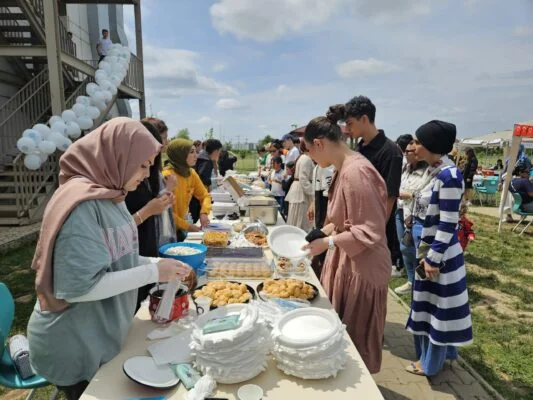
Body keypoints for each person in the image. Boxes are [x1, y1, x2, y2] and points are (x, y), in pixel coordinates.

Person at [27, 118, 195, 400]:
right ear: (117, 155)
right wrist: (153, 273)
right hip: (75, 343)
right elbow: (80, 287)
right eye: (142, 165)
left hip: (100, 333)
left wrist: (158, 265)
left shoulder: (112, 195)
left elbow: (119, 258)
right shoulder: (81, 205)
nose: (146, 174)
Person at [302, 115, 390, 373]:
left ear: (319, 144)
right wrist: (321, 233)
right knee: (340, 332)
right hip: (347, 261)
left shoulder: (357, 172)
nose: (310, 157)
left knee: (356, 338)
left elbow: (369, 231)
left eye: (309, 150)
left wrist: (328, 242)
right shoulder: (343, 168)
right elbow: (342, 219)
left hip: (363, 268)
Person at [405, 120, 472, 377]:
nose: (413, 146)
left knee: (437, 310)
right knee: (432, 307)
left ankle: (429, 364)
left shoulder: (448, 176)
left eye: (418, 142)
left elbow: (448, 222)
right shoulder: (436, 171)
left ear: (431, 145)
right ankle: (438, 357)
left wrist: (432, 258)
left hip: (439, 254)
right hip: (433, 250)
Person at [328, 96, 403, 278]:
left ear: (364, 119)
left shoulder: (390, 151)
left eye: (350, 123)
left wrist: (373, 233)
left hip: (372, 231)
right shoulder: (359, 148)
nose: (348, 129)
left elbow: (389, 198)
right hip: (353, 227)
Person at [125, 120, 177, 311]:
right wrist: (148, 210)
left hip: (146, 248)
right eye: (163, 138)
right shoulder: (110, 190)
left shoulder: (149, 174)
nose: (146, 174)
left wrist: (163, 199)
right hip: (135, 251)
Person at [394, 140, 428, 295]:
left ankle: (421, 283)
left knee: (417, 250)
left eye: (409, 151)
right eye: (405, 151)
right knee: (405, 248)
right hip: (401, 211)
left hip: (415, 215)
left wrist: (408, 194)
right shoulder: (405, 169)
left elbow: (422, 194)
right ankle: (411, 280)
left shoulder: (426, 172)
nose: (405, 154)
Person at [163, 139, 211, 240]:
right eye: (191, 152)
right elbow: (165, 212)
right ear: (180, 155)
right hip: (166, 231)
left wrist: (204, 212)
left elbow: (205, 195)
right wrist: (188, 226)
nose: (196, 156)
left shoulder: (191, 173)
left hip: (181, 227)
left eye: (196, 152)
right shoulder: (167, 176)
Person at [307, 164, 334, 277]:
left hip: (327, 217)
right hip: (319, 211)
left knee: (327, 251)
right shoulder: (318, 166)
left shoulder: (330, 167)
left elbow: (330, 198)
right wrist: (313, 203)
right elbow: (317, 191)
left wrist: (326, 225)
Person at [190, 139, 222, 222]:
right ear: (215, 151)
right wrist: (209, 189)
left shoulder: (201, 157)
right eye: (219, 151)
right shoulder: (206, 161)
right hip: (196, 197)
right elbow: (203, 177)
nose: (219, 154)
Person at [285, 140, 314, 232]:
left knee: (296, 220)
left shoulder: (303, 157)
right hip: (300, 192)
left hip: (298, 190)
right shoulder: (306, 159)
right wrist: (313, 193)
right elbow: (303, 179)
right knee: (299, 222)